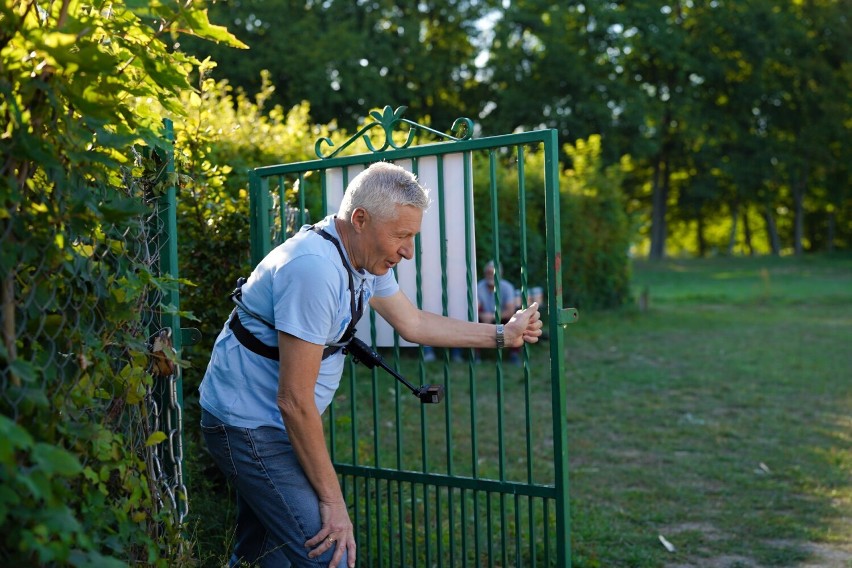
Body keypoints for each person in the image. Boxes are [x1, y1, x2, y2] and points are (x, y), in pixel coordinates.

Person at [198, 162, 542, 568]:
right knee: (331, 554)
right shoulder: (314, 270)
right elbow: (293, 400)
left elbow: (411, 323)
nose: (408, 251)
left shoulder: (360, 258)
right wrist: (334, 503)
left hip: (275, 424)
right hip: (249, 425)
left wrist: (502, 334)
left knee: (266, 557)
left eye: (412, 236)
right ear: (359, 219)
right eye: (401, 236)